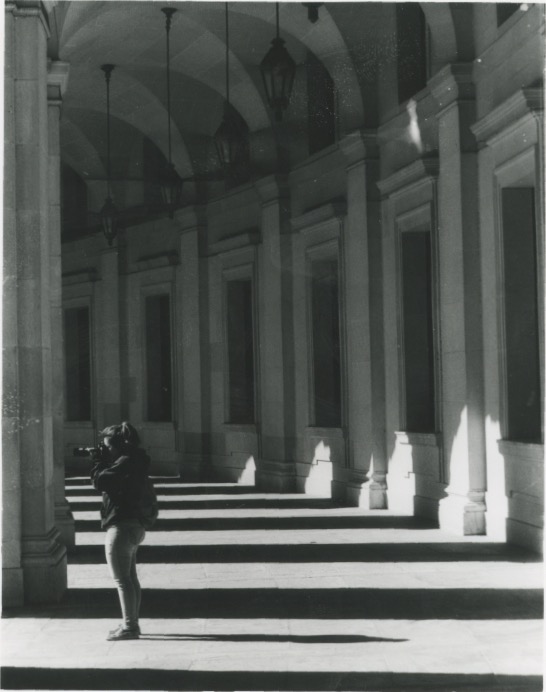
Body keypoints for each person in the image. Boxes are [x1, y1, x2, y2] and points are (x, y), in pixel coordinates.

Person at [90, 421, 150, 641]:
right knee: (130, 578)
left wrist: (98, 462)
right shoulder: (135, 460)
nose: (106, 450)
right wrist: (107, 460)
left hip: (121, 527)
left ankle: (129, 627)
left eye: (108, 447)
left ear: (119, 446)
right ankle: (130, 623)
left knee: (122, 581)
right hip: (134, 525)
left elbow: (99, 481)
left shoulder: (124, 463)